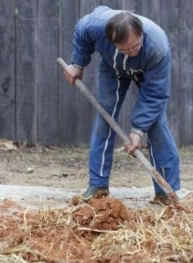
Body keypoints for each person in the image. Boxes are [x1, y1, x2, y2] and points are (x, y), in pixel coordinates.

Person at [63, 6, 182, 206]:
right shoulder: (96, 25)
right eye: (126, 49)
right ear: (112, 41)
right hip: (113, 67)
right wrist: (77, 63)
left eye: (136, 46)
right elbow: (81, 33)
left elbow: (156, 94)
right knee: (105, 119)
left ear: (141, 34)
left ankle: (165, 193)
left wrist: (137, 130)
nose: (132, 52)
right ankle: (98, 186)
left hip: (147, 72)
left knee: (156, 124)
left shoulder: (157, 46)